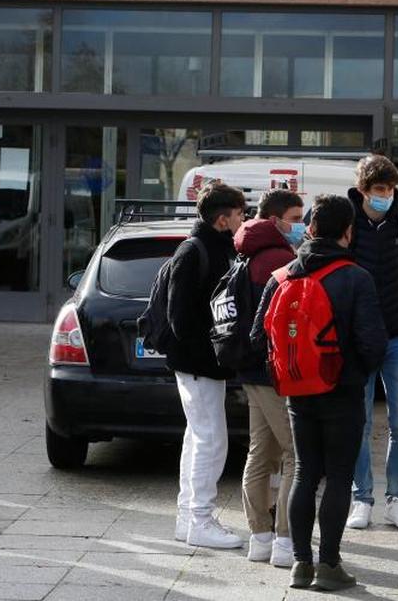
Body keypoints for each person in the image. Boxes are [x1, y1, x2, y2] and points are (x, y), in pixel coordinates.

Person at [251, 194, 388, 592]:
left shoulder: (283, 275)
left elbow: (258, 337)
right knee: (340, 476)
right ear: (349, 232)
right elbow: (373, 343)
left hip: (297, 393)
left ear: (309, 229)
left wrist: (290, 371)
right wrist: (354, 372)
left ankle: (300, 564)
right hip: (343, 391)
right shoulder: (356, 277)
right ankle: (329, 564)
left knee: (306, 474)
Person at [345, 155, 398, 530]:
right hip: (357, 341)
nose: (387, 196)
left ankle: (397, 497)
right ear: (363, 190)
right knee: (357, 423)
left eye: (391, 190)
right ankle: (362, 498)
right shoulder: (345, 224)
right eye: (380, 190)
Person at [167, 180, 245, 550]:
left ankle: (188, 518)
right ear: (221, 219)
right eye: (240, 214)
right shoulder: (194, 252)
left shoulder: (219, 248)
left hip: (205, 365)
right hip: (198, 365)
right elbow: (180, 320)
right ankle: (199, 519)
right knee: (211, 441)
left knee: (197, 438)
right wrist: (213, 350)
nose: (244, 219)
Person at [234, 188, 305, 568]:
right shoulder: (278, 259)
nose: (301, 225)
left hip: (249, 367)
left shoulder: (247, 248)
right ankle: (283, 540)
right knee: (295, 454)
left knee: (260, 453)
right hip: (270, 370)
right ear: (276, 220)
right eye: (296, 218)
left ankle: (259, 537)